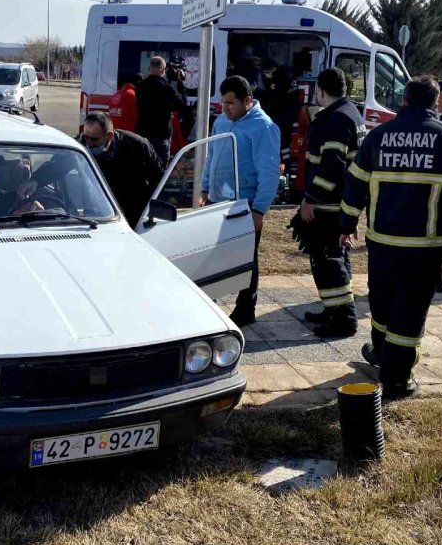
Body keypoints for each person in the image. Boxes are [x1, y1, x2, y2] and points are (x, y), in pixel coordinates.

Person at [339, 76, 442, 400]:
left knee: (382, 305)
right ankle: (397, 381)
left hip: (382, 243)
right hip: (426, 247)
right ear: (435, 103)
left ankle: (382, 358)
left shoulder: (379, 136)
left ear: (403, 100)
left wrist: (346, 223)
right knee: (410, 310)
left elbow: (355, 184)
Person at [200, 75, 281, 325]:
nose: (225, 108)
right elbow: (211, 154)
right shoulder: (223, 121)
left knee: (246, 259)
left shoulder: (263, 127)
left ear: (247, 101)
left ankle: (245, 309)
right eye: (223, 103)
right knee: (213, 256)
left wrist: (259, 210)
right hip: (218, 200)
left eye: (230, 103)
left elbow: (269, 173)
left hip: (245, 206)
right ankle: (207, 303)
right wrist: (204, 187)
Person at [298, 67, 366, 338]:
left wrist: (312, 200)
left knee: (329, 261)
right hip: (341, 203)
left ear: (321, 91)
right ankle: (332, 309)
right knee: (332, 259)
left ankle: (344, 319)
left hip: (328, 206)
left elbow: (332, 167)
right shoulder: (350, 113)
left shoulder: (337, 119)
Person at [81, 111, 164, 225]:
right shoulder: (81, 145)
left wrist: (151, 210)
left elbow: (158, 177)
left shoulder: (137, 145)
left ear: (109, 136)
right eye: (86, 137)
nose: (89, 143)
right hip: (98, 212)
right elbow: (59, 167)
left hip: (133, 210)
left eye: (94, 139)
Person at [134, 56, 189, 167]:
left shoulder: (139, 87)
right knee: (159, 170)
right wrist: (181, 83)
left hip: (142, 133)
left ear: (149, 68)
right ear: (162, 69)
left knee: (142, 168)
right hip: (160, 135)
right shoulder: (167, 89)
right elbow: (182, 106)